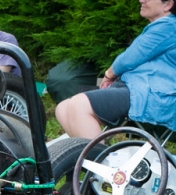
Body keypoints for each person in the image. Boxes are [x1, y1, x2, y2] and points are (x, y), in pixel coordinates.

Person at [55, 0, 176, 138]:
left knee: (79, 105)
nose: (141, 0)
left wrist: (108, 74)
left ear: (168, 5)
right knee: (63, 108)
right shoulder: (162, 27)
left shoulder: (168, 27)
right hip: (136, 88)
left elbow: (130, 57)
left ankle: (97, 158)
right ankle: (90, 154)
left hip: (156, 95)